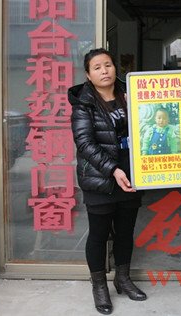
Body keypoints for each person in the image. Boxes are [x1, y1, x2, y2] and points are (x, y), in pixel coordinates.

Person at [68, 48, 147, 315]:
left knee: (125, 231)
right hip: (100, 177)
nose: (104, 71)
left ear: (115, 68)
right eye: (97, 67)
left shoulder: (131, 94)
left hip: (131, 173)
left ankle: (123, 279)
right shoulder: (84, 103)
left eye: (108, 65)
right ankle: (99, 286)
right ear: (88, 75)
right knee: (99, 234)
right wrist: (113, 170)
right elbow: (85, 143)